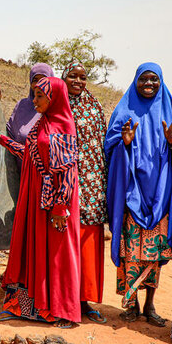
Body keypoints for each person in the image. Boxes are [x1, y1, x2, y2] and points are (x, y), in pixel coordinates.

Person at [0, 76, 81, 328]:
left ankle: (62, 312)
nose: (34, 101)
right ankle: (23, 307)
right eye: (33, 95)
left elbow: (67, 172)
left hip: (55, 204)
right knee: (31, 250)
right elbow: (31, 155)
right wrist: (3, 140)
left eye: (39, 96)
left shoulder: (63, 126)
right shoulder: (42, 124)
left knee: (57, 255)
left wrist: (60, 208)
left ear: (54, 98)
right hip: (34, 198)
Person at [105, 62, 172, 326]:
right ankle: (132, 303)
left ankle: (150, 306)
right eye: (144, 80)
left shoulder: (168, 110)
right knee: (131, 251)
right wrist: (124, 145)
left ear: (161, 81)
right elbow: (110, 147)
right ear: (135, 81)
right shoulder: (124, 109)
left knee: (153, 254)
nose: (149, 84)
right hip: (131, 192)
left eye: (154, 80)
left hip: (159, 195)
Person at [63, 62, 108, 323]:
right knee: (66, 246)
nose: (78, 81)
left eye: (83, 77)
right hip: (67, 185)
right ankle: (66, 300)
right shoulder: (57, 104)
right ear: (63, 78)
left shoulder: (94, 105)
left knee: (88, 246)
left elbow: (103, 144)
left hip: (92, 189)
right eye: (73, 76)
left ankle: (85, 300)